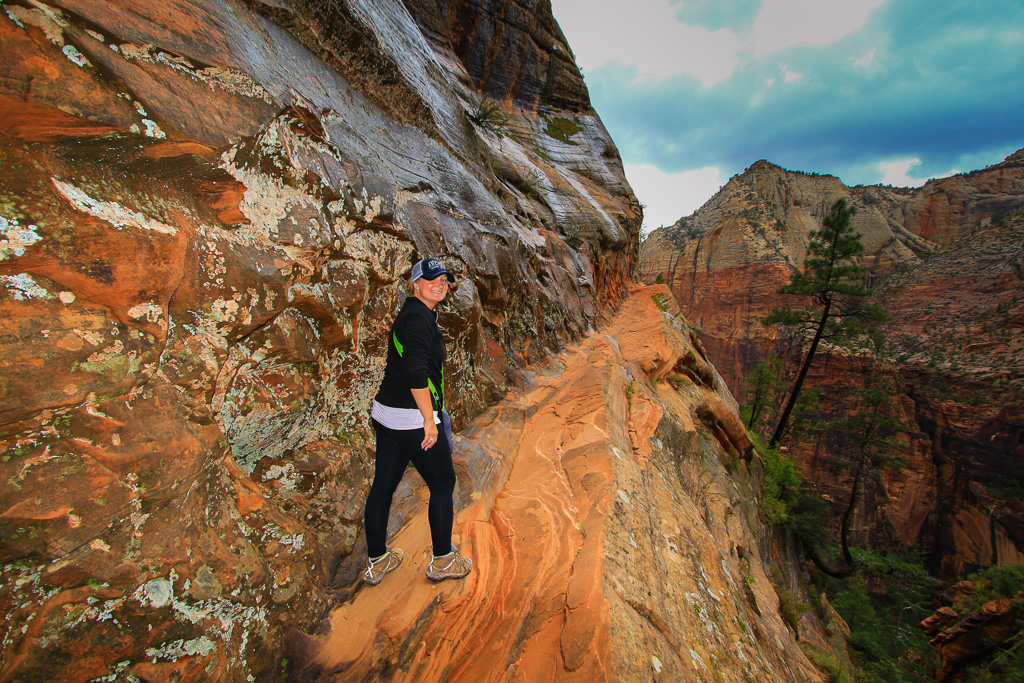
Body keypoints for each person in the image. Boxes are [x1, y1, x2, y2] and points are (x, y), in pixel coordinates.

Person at [362, 258, 473, 584]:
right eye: (431, 279)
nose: (440, 284)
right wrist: (428, 420)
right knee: (442, 484)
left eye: (444, 280)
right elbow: (415, 372)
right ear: (415, 283)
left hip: (387, 414)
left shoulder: (416, 314)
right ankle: (443, 563)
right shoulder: (417, 318)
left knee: (383, 486)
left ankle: (378, 560)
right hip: (413, 419)